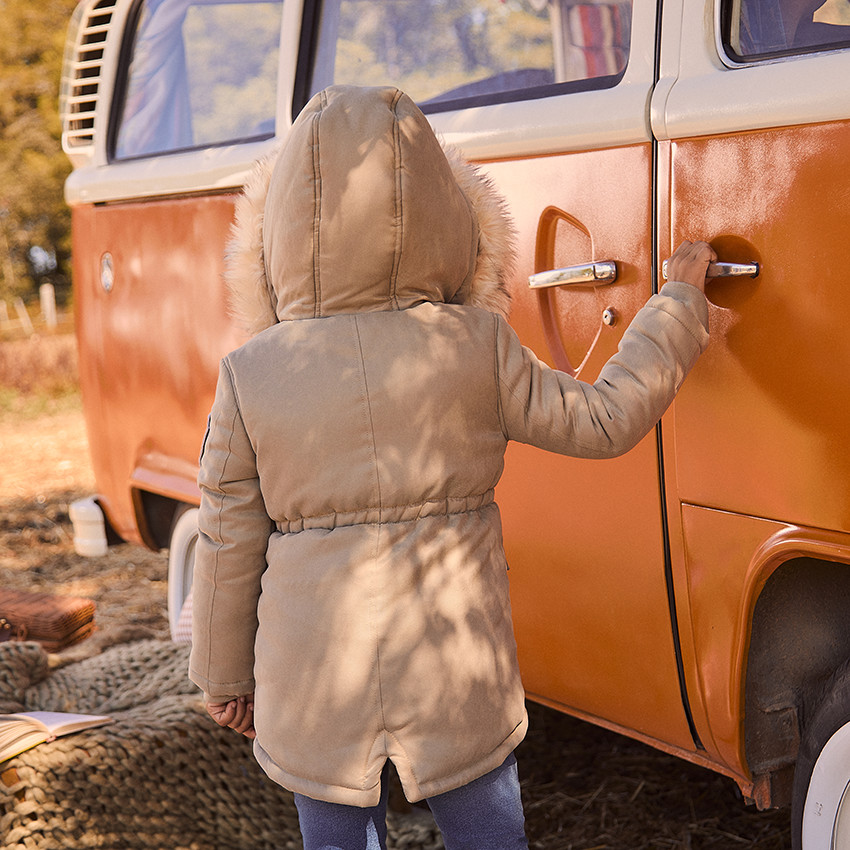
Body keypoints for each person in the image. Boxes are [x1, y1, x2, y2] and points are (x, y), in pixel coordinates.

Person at [188, 84, 716, 850]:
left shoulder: (252, 372)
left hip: (315, 683)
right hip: (456, 673)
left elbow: (227, 539)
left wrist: (225, 676)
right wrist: (674, 305)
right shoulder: (473, 345)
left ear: (280, 231)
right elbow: (604, 420)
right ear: (447, 213)